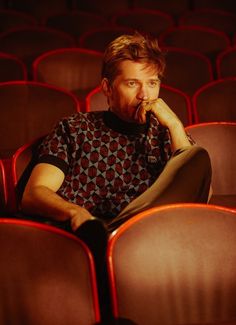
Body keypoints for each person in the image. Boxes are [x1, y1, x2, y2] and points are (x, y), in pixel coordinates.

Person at [21, 32, 212, 233]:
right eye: (132, 83)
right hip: (85, 232)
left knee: (198, 158)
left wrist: (174, 125)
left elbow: (202, 195)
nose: (144, 95)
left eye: (152, 83)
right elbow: (34, 193)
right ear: (107, 88)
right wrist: (75, 213)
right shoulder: (75, 128)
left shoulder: (168, 134)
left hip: (148, 235)